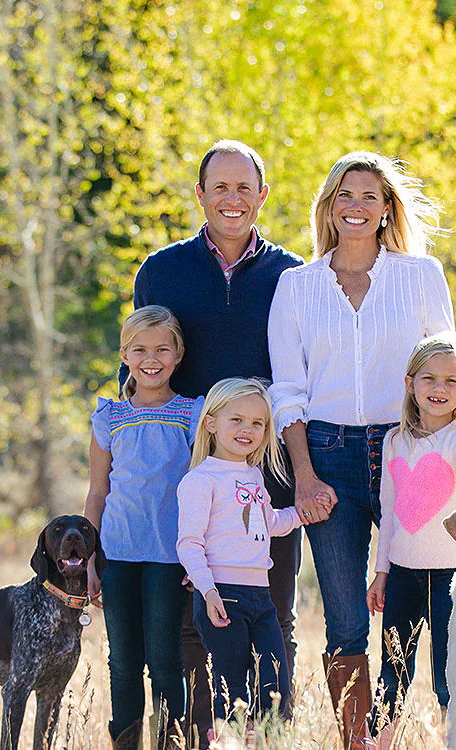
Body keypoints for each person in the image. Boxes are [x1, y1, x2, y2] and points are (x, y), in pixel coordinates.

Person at [267, 151, 456, 747]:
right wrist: (303, 474)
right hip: (325, 456)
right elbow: (287, 391)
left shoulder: (421, 275)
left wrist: (450, 458)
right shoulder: (295, 286)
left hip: (410, 451)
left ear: (385, 210)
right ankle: (361, 743)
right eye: (345, 194)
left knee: (434, 604)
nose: (355, 205)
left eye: (369, 196)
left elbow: (446, 372)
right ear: (329, 204)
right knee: (347, 621)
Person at [129, 140, 305, 741]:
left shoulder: (292, 276)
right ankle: (196, 736)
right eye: (219, 187)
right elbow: (140, 369)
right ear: (199, 194)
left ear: (263, 196)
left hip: (268, 472)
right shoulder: (162, 271)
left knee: (275, 616)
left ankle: (269, 736)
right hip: (191, 475)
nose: (233, 199)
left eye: (244, 187)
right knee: (191, 623)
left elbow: (304, 376)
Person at [365, 331, 456, 747]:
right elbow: (388, 514)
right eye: (428, 379)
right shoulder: (394, 441)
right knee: (391, 676)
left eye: (450, 381)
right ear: (410, 384)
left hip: (452, 578)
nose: (439, 389)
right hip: (402, 575)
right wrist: (381, 572)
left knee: (449, 677)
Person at [86, 306, 203, 748]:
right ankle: (127, 741)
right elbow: (97, 492)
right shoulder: (109, 418)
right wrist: (91, 558)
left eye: (161, 349)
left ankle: (173, 742)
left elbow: (202, 489)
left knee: (165, 659)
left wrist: (200, 555)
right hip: (117, 553)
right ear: (124, 355)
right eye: (139, 349)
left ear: (178, 355)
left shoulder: (193, 414)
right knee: (123, 661)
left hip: (169, 557)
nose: (150, 358)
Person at [175, 378, 309, 743]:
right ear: (211, 422)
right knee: (231, 687)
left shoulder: (253, 475)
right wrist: (208, 590)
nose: (247, 429)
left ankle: (268, 742)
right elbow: (188, 544)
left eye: (257, 423)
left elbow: (270, 523)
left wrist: (306, 512)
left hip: (261, 598)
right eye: (237, 420)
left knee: (274, 682)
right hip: (222, 596)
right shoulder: (200, 480)